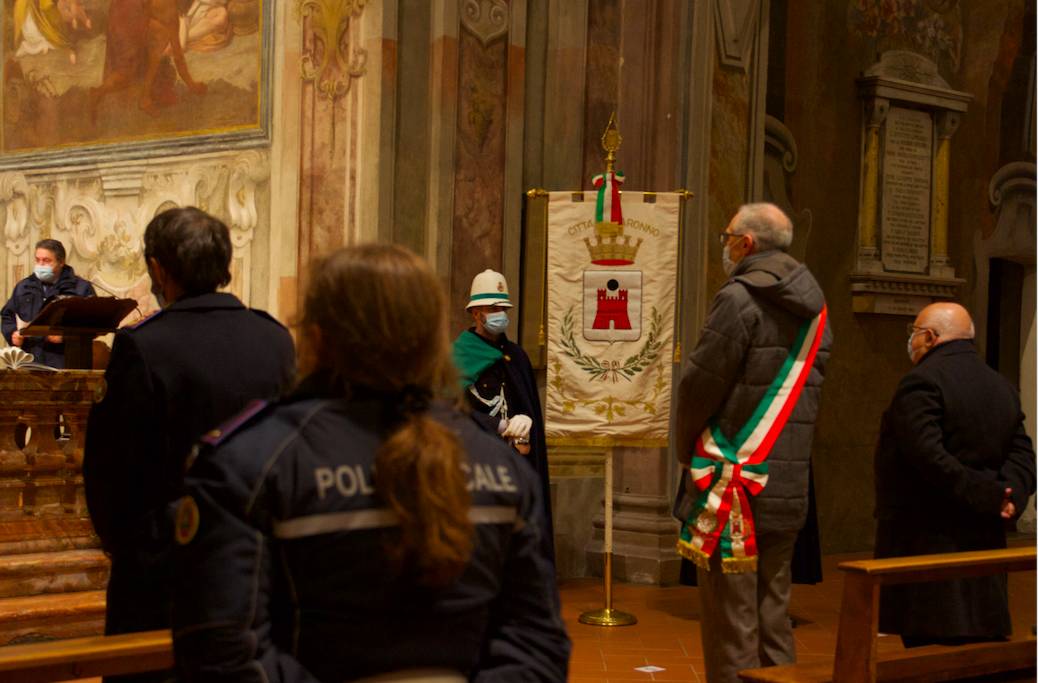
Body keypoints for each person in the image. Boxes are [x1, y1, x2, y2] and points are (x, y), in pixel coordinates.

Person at [172, 244, 570, 682]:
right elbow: (537, 645)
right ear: (432, 341)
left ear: (316, 337)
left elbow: (224, 652)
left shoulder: (249, 464)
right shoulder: (503, 468)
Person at [83, 207, 294, 681]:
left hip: (166, 576)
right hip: (258, 568)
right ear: (225, 266)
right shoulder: (275, 339)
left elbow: (110, 476)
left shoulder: (143, 347)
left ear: (158, 269)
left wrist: (133, 549)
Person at [673, 203, 831, 683]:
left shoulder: (739, 299)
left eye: (727, 237)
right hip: (786, 483)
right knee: (772, 611)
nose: (724, 245)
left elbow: (700, 384)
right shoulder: (817, 309)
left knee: (730, 618)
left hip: (735, 484)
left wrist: (687, 451)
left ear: (746, 244)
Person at [874, 302, 1036, 647]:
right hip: (985, 539)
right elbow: (1022, 452)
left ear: (930, 337)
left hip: (929, 540)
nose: (912, 341)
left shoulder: (921, 382)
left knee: (932, 647)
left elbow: (927, 456)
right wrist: (1009, 496)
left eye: (914, 333)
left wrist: (988, 494)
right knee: (978, 643)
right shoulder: (999, 384)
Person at [452, 269, 554, 562]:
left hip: (516, 464)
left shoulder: (517, 356)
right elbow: (451, 414)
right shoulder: (457, 357)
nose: (499, 314)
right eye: (492, 308)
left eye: (503, 308)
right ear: (475, 313)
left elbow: (525, 404)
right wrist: (499, 425)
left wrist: (527, 422)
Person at [1, 238, 96, 368]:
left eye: (46, 261)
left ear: (61, 262)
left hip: (67, 363)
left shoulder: (81, 288)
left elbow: (94, 324)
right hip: (29, 362)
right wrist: (12, 333)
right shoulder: (24, 286)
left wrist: (65, 337)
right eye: (37, 260)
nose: (40, 265)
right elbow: (7, 316)